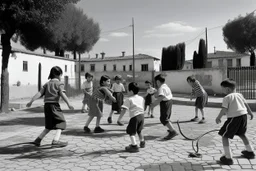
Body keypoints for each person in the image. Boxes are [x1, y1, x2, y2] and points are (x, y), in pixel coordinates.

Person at [26, 66, 74, 148]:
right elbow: (63, 94)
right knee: (61, 123)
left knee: (49, 125)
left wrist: (31, 101)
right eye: (60, 75)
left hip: (47, 106)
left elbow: (39, 93)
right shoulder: (59, 84)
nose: (61, 77)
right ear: (57, 75)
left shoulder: (47, 84)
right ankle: (56, 140)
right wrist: (69, 104)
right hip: (54, 106)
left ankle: (38, 140)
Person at [216, 79, 254, 165]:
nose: (222, 90)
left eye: (222, 88)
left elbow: (224, 109)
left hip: (234, 118)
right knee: (241, 133)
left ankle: (228, 157)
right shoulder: (239, 95)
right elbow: (246, 104)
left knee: (224, 135)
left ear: (228, 89)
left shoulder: (227, 97)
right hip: (243, 116)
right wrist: (250, 113)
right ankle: (250, 151)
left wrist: (218, 117)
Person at [117, 82, 145, 152]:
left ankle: (134, 146)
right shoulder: (141, 98)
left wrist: (119, 119)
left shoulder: (129, 99)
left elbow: (124, 110)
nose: (127, 92)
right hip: (142, 116)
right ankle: (142, 142)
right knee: (139, 130)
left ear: (131, 91)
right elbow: (143, 106)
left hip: (134, 117)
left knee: (131, 132)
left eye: (128, 90)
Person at [150, 74, 178, 140]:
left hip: (165, 103)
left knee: (163, 119)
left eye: (156, 82)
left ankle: (173, 131)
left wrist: (154, 104)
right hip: (169, 102)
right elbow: (162, 95)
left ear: (158, 81)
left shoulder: (161, 88)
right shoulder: (166, 86)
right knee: (166, 117)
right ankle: (171, 129)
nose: (156, 84)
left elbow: (161, 96)